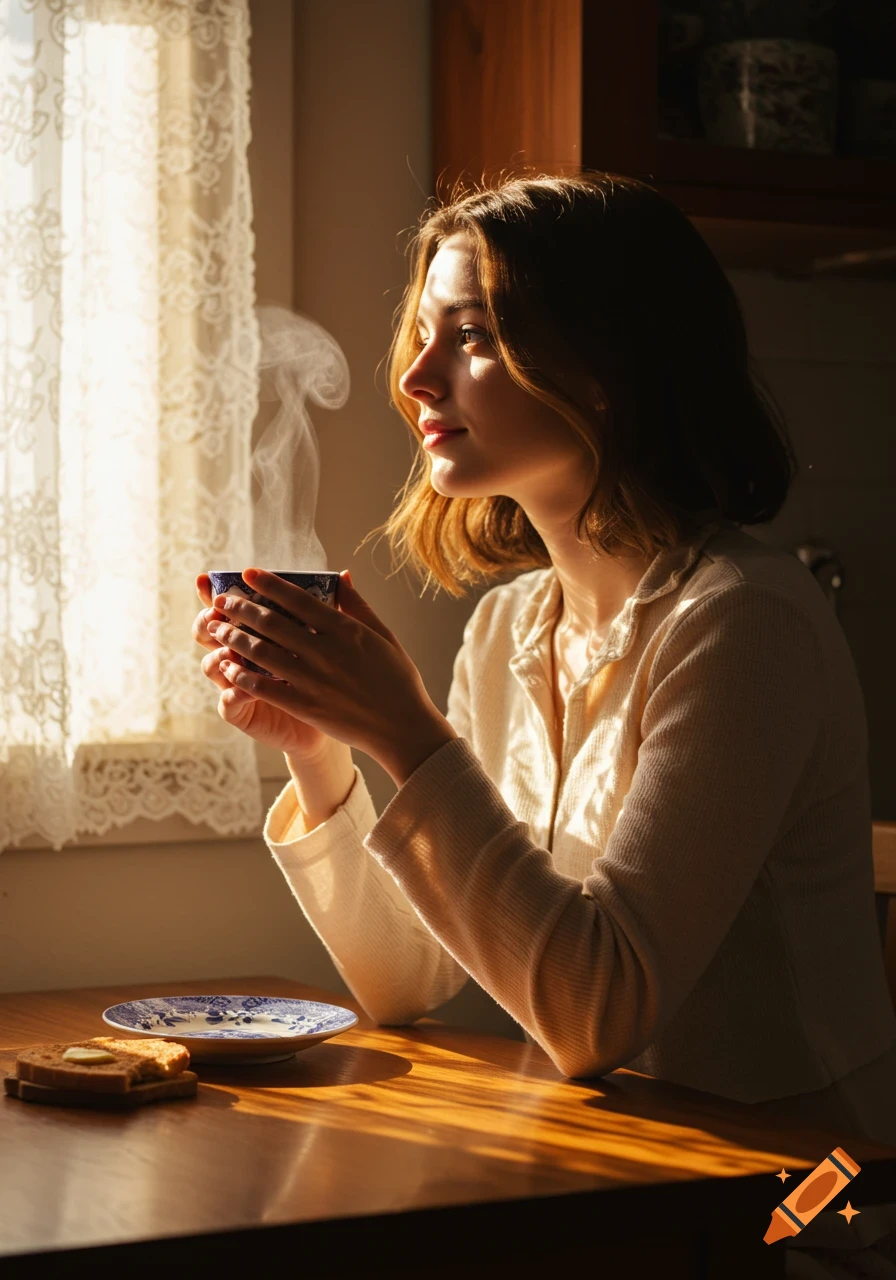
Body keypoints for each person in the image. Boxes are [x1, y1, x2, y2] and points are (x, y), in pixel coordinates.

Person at [192, 172, 896, 1146]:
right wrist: (321, 746)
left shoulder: (743, 620)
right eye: (424, 334)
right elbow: (404, 979)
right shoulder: (510, 627)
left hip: (803, 1199)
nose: (415, 377)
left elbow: (595, 1011)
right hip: (621, 1162)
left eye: (471, 335)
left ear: (607, 362)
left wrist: (405, 727)